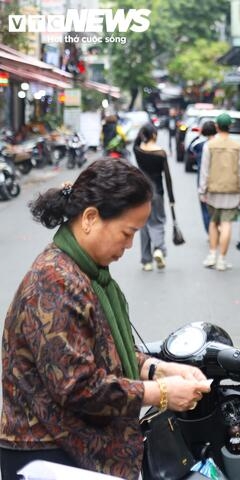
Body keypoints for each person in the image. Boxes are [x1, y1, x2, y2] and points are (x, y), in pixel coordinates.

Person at [0, 159, 211, 479]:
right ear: (90, 218)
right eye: (127, 233)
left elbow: (103, 349)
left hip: (79, 452)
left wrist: (159, 368)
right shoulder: (55, 281)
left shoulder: (88, 274)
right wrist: (161, 393)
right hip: (50, 456)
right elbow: (79, 387)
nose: (128, 246)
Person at [198, 113, 240, 271]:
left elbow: (204, 170)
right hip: (232, 190)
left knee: (213, 222)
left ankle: (212, 255)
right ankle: (222, 260)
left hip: (213, 190)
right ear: (230, 126)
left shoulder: (209, 145)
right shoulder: (238, 147)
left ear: (217, 127)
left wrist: (202, 190)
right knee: (226, 224)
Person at [133, 123, 175, 271]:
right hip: (157, 192)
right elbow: (167, 177)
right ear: (155, 135)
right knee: (158, 222)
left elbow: (136, 142)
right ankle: (158, 248)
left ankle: (147, 261)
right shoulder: (161, 153)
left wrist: (142, 131)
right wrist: (171, 199)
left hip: (142, 193)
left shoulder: (138, 151)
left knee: (143, 225)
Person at [191, 120, 217, 233]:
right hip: (216, 176)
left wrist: (198, 135)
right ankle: (217, 227)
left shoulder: (198, 145)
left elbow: (189, 148)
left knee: (204, 206)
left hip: (201, 176)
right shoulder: (217, 144)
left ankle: (210, 231)